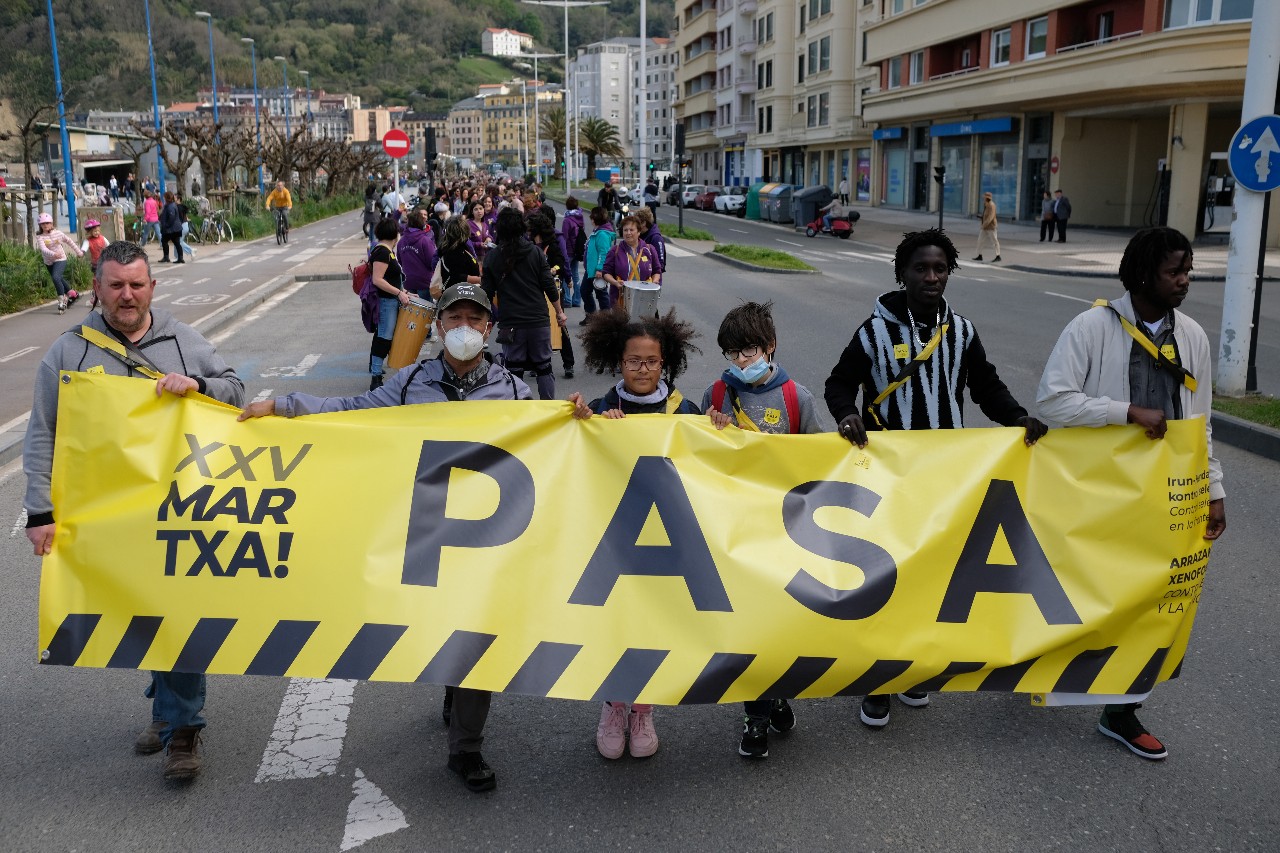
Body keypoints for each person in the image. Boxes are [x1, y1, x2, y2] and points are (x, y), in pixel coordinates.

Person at [239, 284, 528, 793]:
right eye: (454, 317)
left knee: (477, 636)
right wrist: (284, 406)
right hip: (421, 533)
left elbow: (553, 445)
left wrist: (586, 419)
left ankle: (466, 749)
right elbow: (353, 409)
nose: (464, 327)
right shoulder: (410, 380)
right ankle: (453, 684)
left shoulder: (515, 391)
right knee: (439, 629)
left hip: (485, 540)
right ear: (438, 327)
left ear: (488, 327)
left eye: (474, 318)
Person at [24, 240, 243, 781]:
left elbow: (236, 392)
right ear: (96, 288)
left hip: (179, 511)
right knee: (141, 614)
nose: (127, 295)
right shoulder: (67, 353)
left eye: (137, 284)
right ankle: (167, 710)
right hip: (107, 518)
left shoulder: (181, 339)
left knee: (181, 615)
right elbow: (42, 435)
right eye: (116, 285)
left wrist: (198, 386)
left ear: (153, 287)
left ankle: (182, 732)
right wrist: (39, 513)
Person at [825, 228, 1047, 728]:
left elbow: (986, 386)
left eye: (939, 268)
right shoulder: (873, 332)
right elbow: (839, 382)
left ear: (949, 273)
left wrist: (1016, 418)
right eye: (920, 268)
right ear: (901, 274)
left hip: (944, 479)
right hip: (887, 476)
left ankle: (915, 670)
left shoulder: (962, 332)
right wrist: (847, 415)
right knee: (886, 579)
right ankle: (878, 681)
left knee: (931, 576)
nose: (930, 277)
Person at [1035, 226, 1225, 761]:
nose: (1186, 280)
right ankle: (1040, 667)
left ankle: (1121, 712)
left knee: (1153, 603)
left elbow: (1200, 422)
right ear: (1144, 275)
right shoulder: (1092, 327)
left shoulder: (1193, 337)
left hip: (1167, 496)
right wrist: (1123, 412)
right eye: (1175, 272)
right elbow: (1052, 402)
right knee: (1082, 591)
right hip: (1100, 495)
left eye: (1188, 269)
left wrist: (1214, 488)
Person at [568, 308, 720, 759]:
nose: (642, 370)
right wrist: (582, 423)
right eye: (633, 361)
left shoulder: (685, 411)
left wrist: (719, 432)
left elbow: (709, 466)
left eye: (651, 362)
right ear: (619, 362)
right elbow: (574, 464)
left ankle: (644, 708)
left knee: (655, 624)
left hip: (667, 542)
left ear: (664, 364)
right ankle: (614, 705)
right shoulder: (600, 409)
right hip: (614, 542)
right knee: (617, 624)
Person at [700, 301, 821, 758]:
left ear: (770, 347)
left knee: (782, 623)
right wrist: (713, 430)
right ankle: (755, 714)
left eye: (749, 350)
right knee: (750, 627)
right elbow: (692, 450)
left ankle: (778, 692)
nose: (741, 362)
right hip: (737, 531)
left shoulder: (797, 398)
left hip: (786, 531)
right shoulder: (718, 394)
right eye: (733, 354)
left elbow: (819, 459)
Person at [481, 207, 566, 400]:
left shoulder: (492, 257)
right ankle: (548, 408)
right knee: (544, 366)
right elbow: (549, 286)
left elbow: (486, 293)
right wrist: (559, 312)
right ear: (521, 227)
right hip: (538, 319)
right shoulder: (535, 253)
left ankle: (518, 410)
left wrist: (482, 321)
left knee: (513, 369)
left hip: (511, 323)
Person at [528, 211, 576, 380]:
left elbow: (561, 263)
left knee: (560, 326)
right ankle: (536, 364)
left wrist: (553, 269)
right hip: (534, 291)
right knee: (536, 328)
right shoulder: (529, 246)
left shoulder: (552, 245)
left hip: (552, 290)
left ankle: (568, 364)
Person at [368, 218, 410, 390]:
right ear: (394, 234)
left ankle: (376, 371)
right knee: (384, 338)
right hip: (386, 301)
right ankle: (376, 377)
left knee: (383, 336)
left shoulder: (387, 251)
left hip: (391, 299)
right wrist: (399, 293)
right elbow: (377, 280)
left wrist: (404, 291)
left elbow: (390, 278)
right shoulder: (382, 252)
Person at [600, 215, 661, 309]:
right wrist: (615, 282)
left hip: (645, 298)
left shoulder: (649, 249)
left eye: (631, 230)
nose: (628, 233)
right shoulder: (615, 250)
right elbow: (606, 273)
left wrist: (655, 281)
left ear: (639, 232)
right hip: (621, 299)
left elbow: (657, 271)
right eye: (625, 230)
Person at [34, 213, 83, 314]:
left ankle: (62, 299)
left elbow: (69, 241)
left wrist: (78, 252)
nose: (45, 225)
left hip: (60, 259)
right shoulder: (40, 237)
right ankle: (72, 294)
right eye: (42, 224)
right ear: (40, 225)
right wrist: (53, 254)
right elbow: (43, 249)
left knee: (55, 277)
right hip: (48, 261)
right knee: (59, 278)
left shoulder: (58, 233)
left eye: (47, 223)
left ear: (52, 223)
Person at [581, 206, 616, 322]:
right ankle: (591, 316)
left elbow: (604, 252)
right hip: (591, 270)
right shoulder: (597, 231)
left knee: (601, 294)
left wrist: (600, 269)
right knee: (585, 291)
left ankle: (606, 319)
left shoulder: (602, 234)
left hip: (597, 271)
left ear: (594, 218)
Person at [397, 207, 439, 303]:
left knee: (410, 313)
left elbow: (400, 260)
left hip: (407, 281)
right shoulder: (425, 240)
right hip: (424, 282)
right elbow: (432, 262)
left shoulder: (402, 241)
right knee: (424, 313)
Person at [435, 215, 482, 295]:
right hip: (459, 297)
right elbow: (457, 277)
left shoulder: (459, 246)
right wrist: (481, 280)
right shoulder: (453, 251)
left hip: (462, 293)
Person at [560, 197, 586, 309]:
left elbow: (564, 237)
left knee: (566, 275)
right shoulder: (580, 217)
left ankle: (567, 300)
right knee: (575, 276)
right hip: (577, 251)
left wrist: (562, 251)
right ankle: (577, 300)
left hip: (569, 251)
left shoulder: (567, 220)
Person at [80, 218, 109, 310]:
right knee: (97, 280)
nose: (97, 232)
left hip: (105, 261)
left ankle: (105, 295)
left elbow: (109, 245)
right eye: (94, 231)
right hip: (96, 264)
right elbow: (84, 248)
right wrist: (81, 253)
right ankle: (96, 296)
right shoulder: (88, 241)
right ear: (89, 232)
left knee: (106, 279)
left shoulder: (102, 238)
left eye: (98, 230)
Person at [634, 206, 667, 283]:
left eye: (637, 223)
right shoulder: (640, 234)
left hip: (651, 281)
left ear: (644, 223)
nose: (635, 225)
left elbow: (660, 263)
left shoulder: (656, 238)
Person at [973, 192, 1001, 262]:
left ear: (987, 198)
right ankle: (980, 255)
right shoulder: (986, 204)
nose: (983, 198)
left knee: (994, 241)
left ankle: (998, 256)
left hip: (991, 227)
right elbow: (986, 215)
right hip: (985, 227)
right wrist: (982, 218)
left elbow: (990, 217)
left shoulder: (992, 205)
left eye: (984, 197)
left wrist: (983, 225)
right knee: (980, 241)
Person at [159, 191, 183, 264]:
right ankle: (180, 257)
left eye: (164, 197)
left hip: (171, 229)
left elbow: (171, 217)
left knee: (164, 241)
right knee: (176, 243)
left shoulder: (170, 206)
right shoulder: (172, 205)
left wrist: (166, 225)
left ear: (167, 198)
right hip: (176, 228)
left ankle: (166, 257)